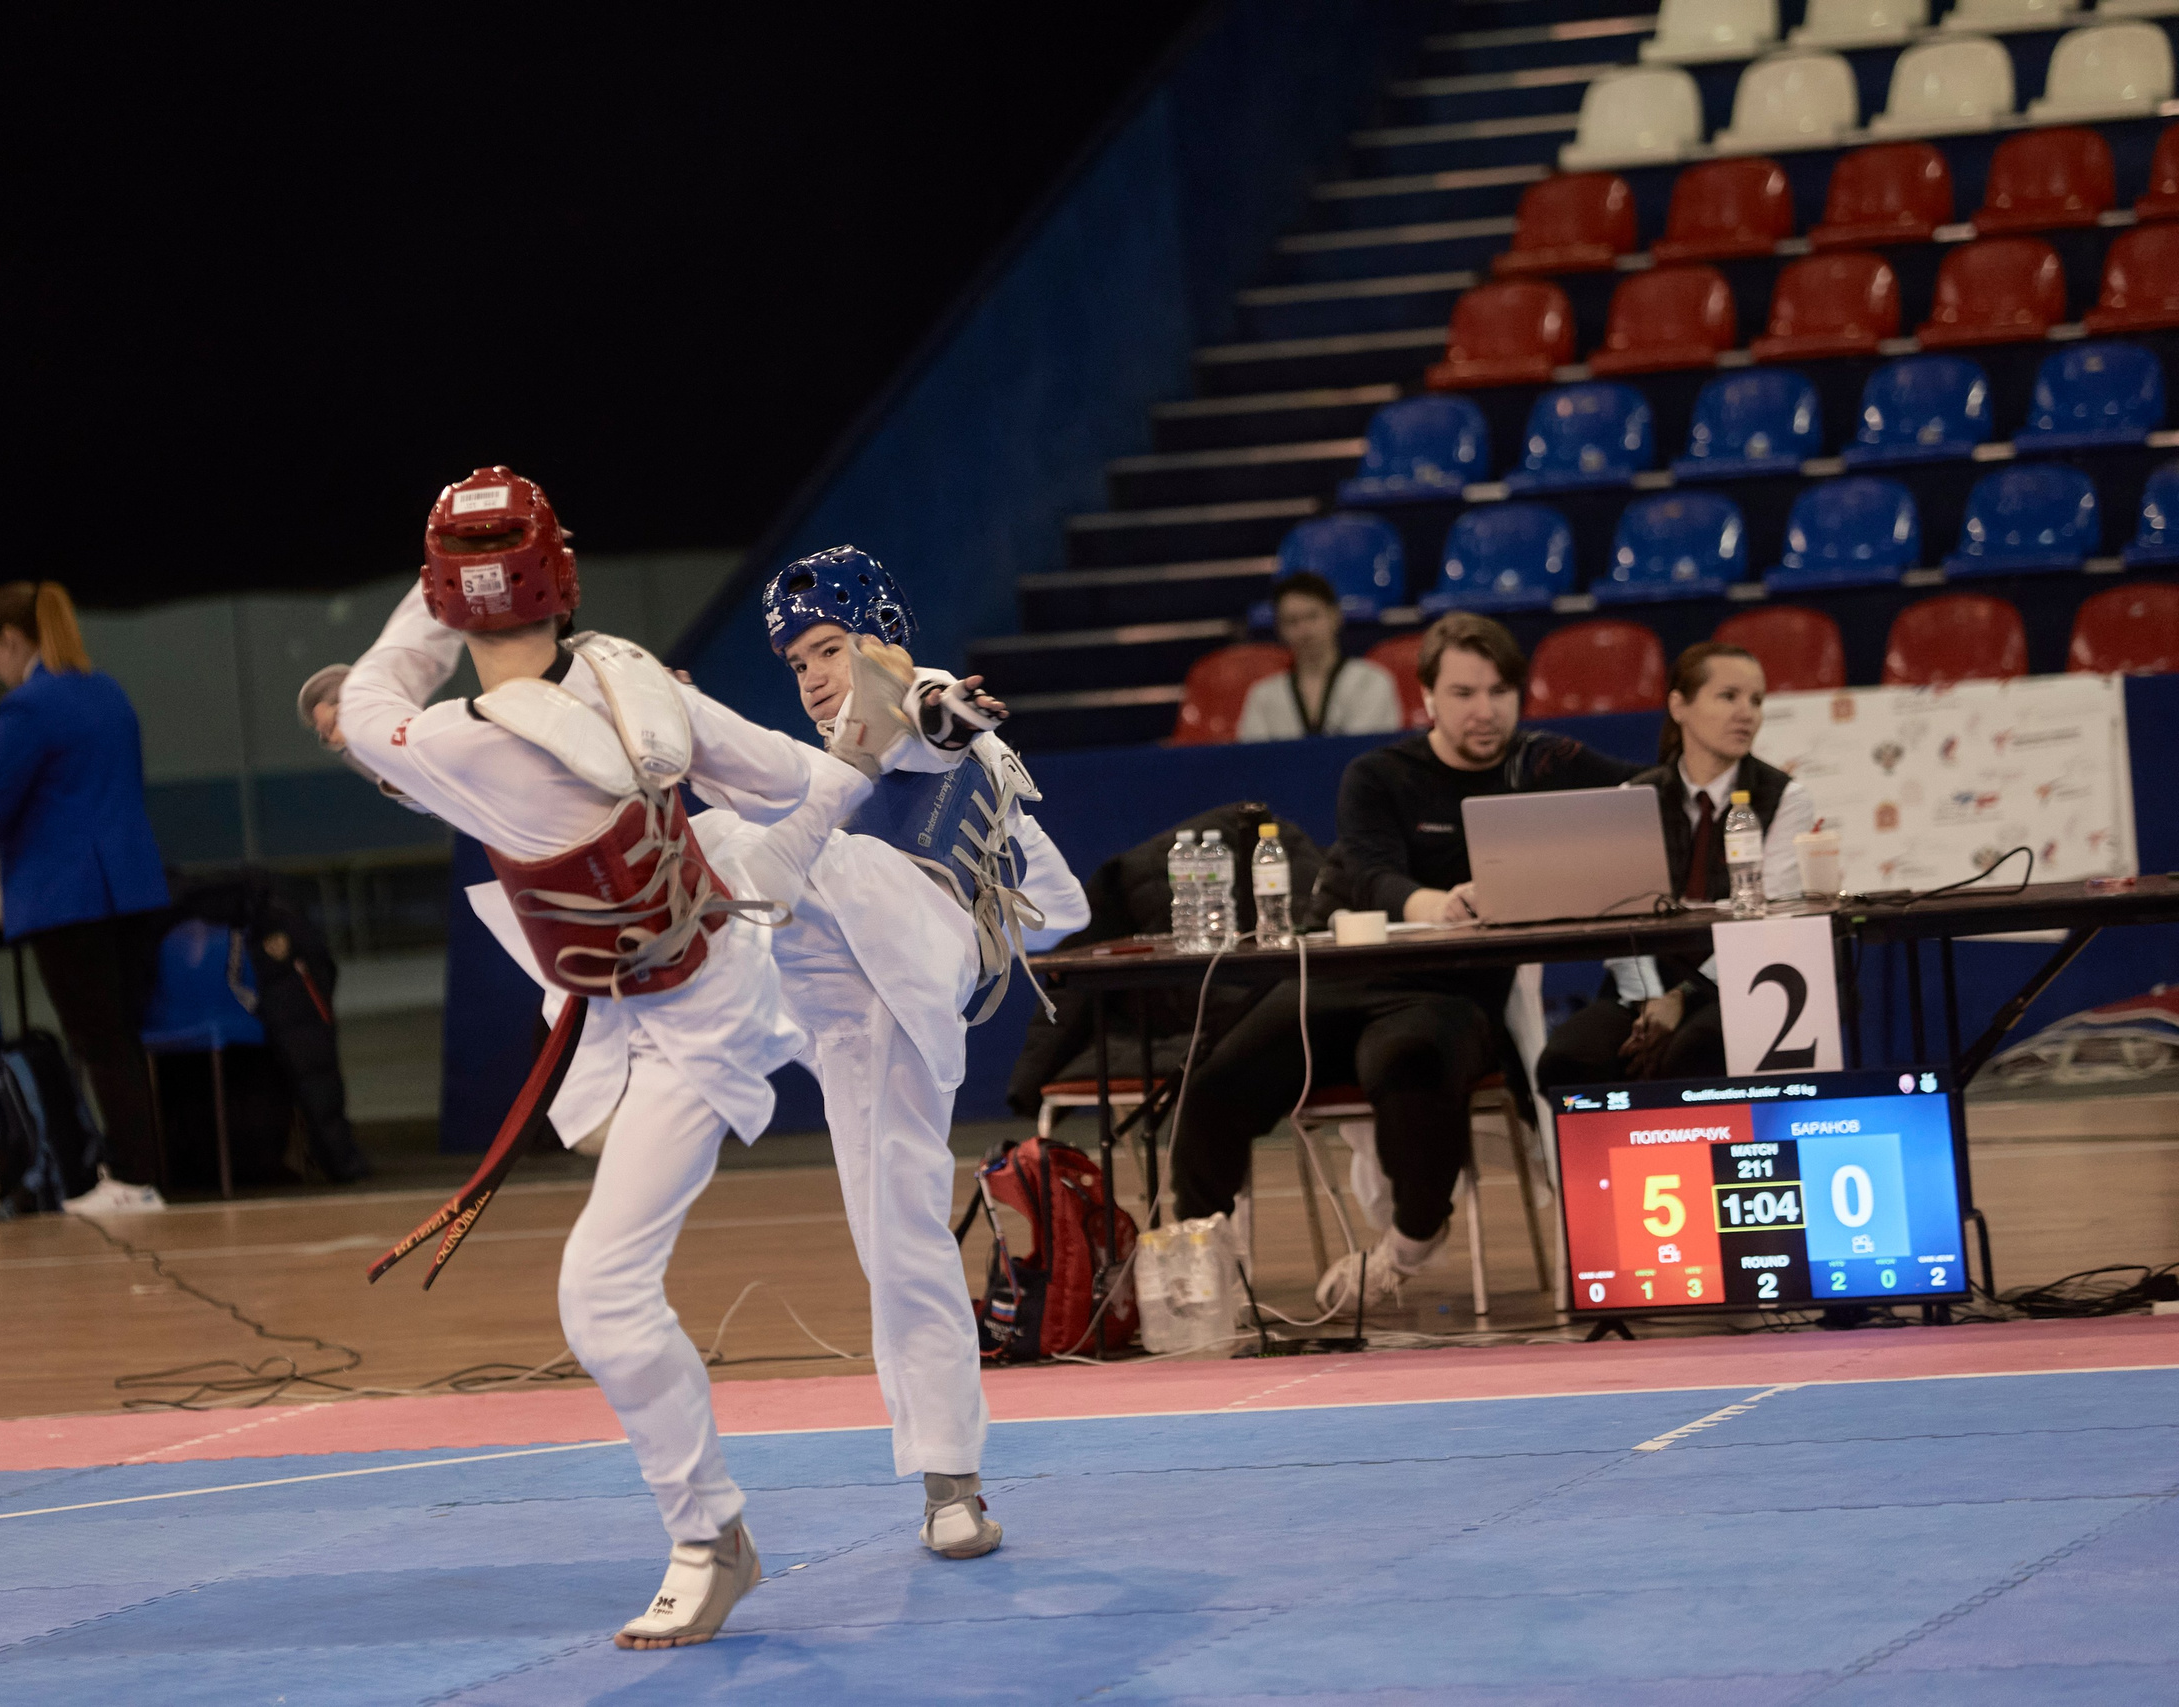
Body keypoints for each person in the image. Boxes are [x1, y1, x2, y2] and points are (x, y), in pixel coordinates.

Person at [332, 467, 911, 1651]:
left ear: (452, 600)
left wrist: (433, 595)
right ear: (565, 580)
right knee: (604, 1254)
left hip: (686, 1022)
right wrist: (889, 731)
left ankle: (711, 1539)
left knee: (598, 1291)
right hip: (658, 984)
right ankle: (714, 1534)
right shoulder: (634, 677)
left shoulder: (452, 745)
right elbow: (804, 777)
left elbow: (360, 705)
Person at [726, 544, 1088, 1561]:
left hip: (914, 952)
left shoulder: (911, 705)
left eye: (829, 649)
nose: (814, 678)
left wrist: (940, 715)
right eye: (796, 664)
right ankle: (948, 1489)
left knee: (771, 845)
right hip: (854, 1015)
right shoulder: (820, 768)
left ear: (878, 638)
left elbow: (919, 702)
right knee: (896, 1239)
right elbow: (1062, 908)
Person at [1165, 612, 1636, 1317]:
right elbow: (1371, 871)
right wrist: (1437, 902)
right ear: (1429, 698)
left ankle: (1409, 1245)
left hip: (1452, 998)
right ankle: (1204, 1262)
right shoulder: (1379, 774)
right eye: (1465, 692)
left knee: (1411, 1063)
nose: (1485, 709)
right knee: (1216, 1079)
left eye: (1501, 691)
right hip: (1344, 981)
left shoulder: (1544, 763)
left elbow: (1650, 794)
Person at [0, 582, 173, 1216]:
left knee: (97, 1041)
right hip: (132, 888)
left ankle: (131, 1179)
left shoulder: (27, 707)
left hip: (68, 900)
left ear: (11, 640)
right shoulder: (107, 691)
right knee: (121, 1039)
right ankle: (138, 1172)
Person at [1536, 642, 1815, 1090]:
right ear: (1679, 706)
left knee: (1694, 1051)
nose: (1747, 713)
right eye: (1729, 697)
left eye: (1756, 700)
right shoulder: (1634, 796)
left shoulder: (1785, 798)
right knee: (1568, 1060)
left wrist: (1683, 998)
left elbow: (1769, 921)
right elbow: (1622, 919)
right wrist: (1651, 999)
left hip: (1743, 985)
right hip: (1643, 987)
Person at [1234, 571, 1404, 741]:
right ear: (1280, 630)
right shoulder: (1263, 696)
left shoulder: (1372, 681)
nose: (1304, 630)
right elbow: (1254, 761)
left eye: (1312, 616)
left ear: (1335, 616)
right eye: (1292, 621)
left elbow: (1368, 755)